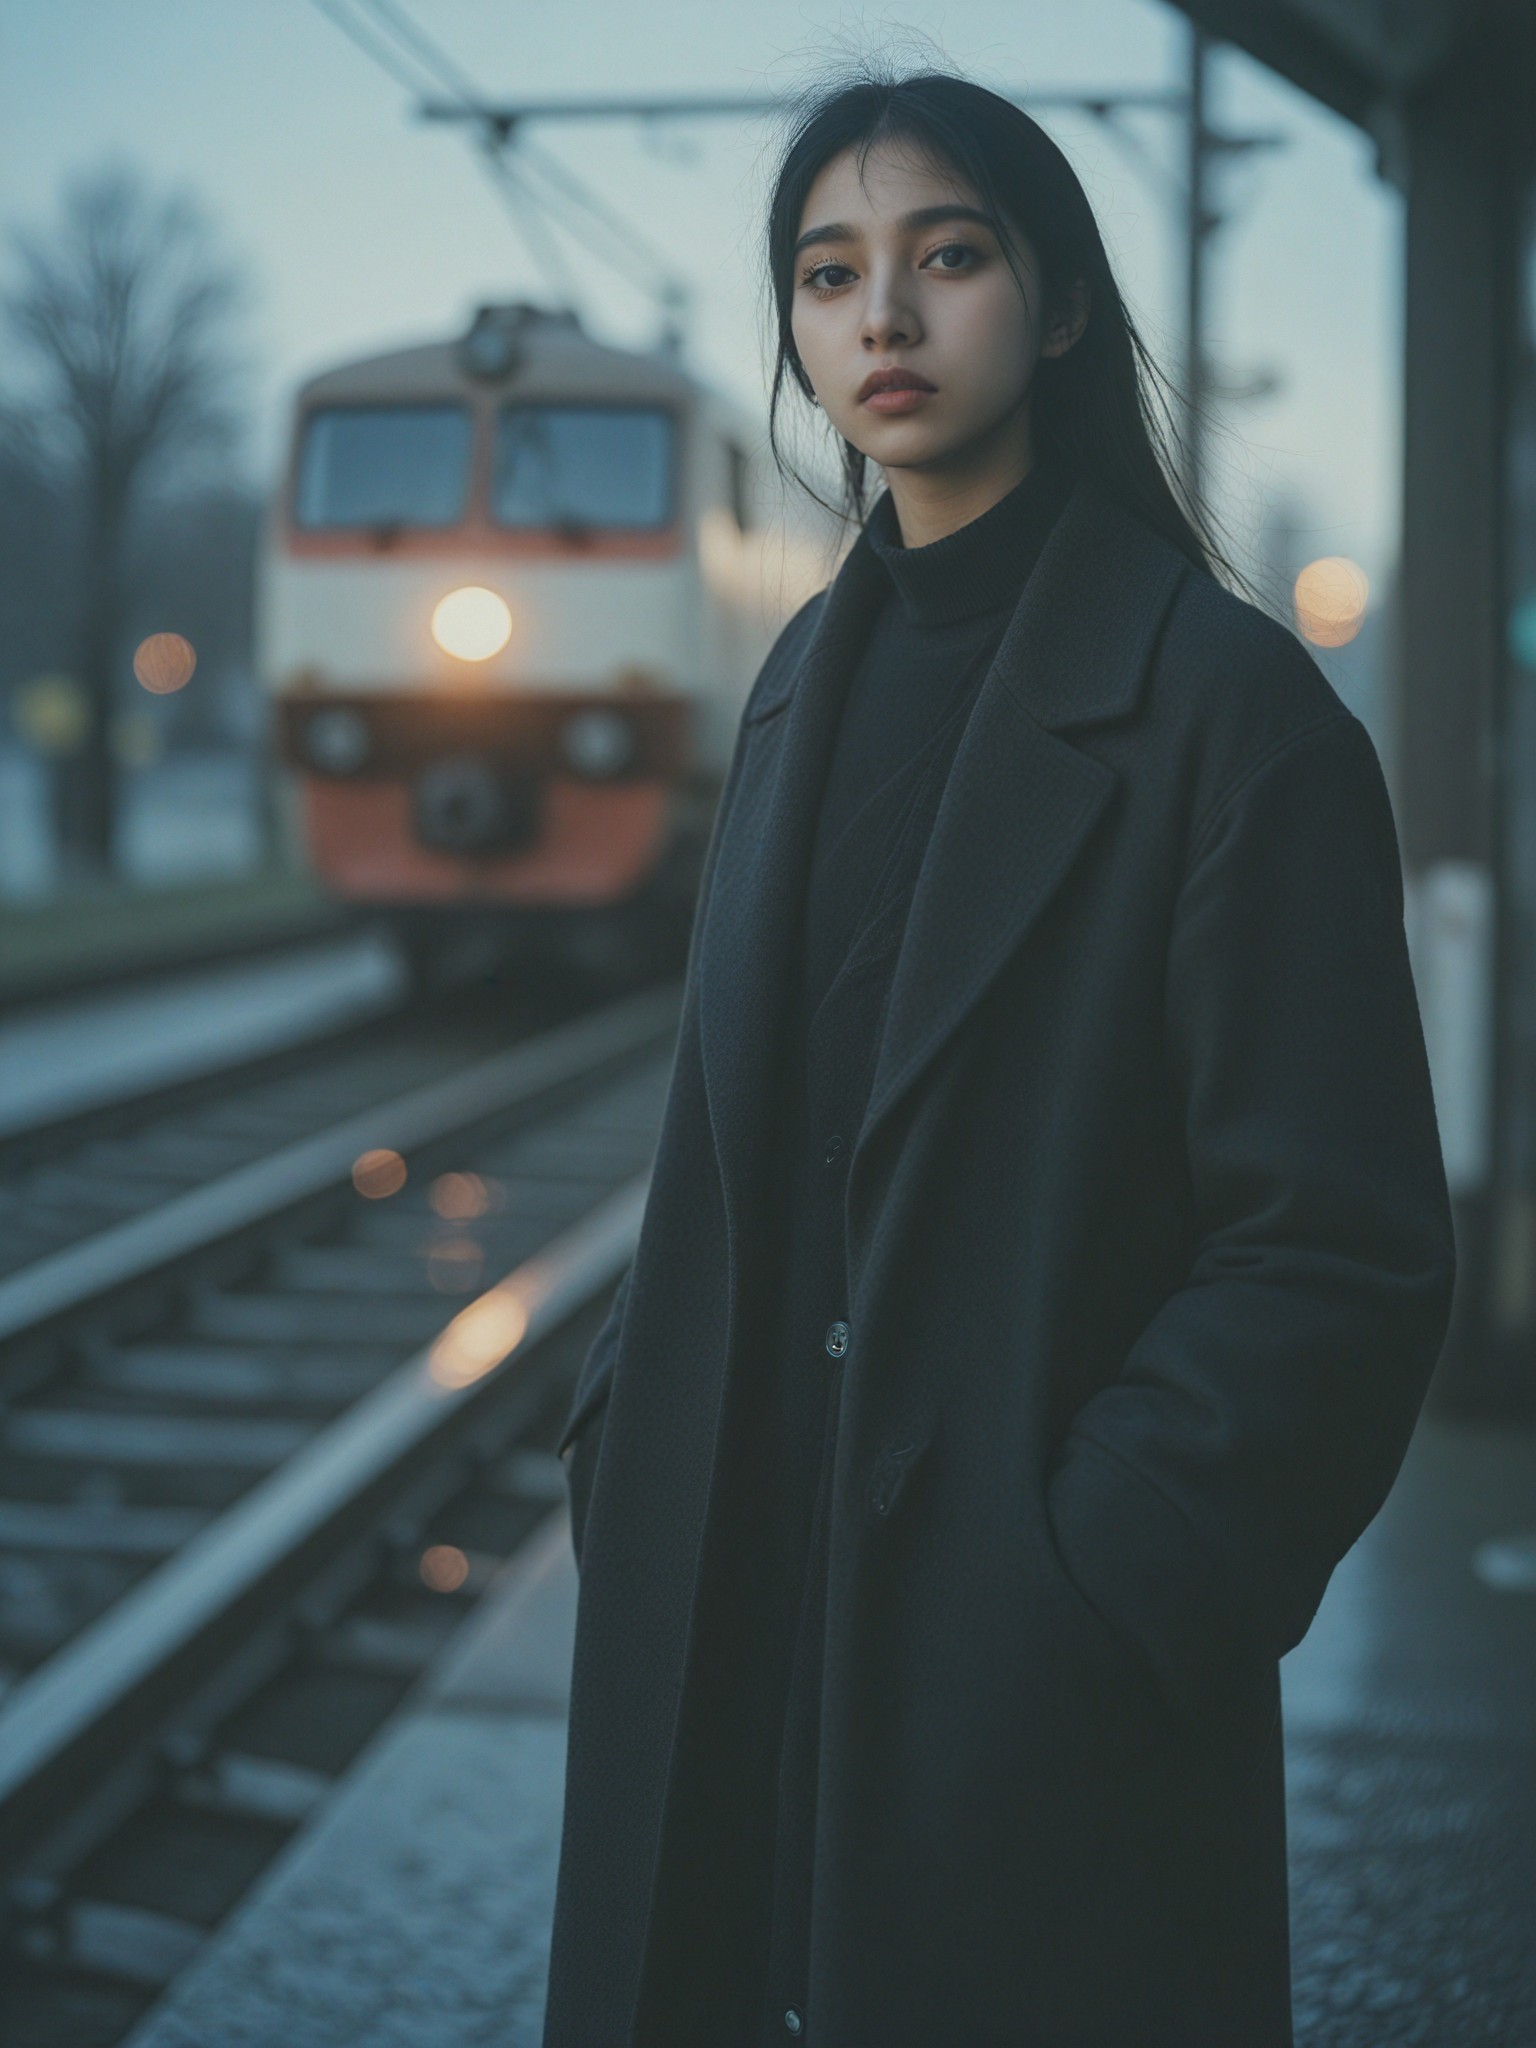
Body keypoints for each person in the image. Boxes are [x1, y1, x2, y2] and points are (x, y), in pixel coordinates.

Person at [543, 61, 1457, 2048]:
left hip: (1019, 1674)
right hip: (726, 1608)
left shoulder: (1232, 712)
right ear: (793, 329)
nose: (883, 315)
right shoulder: (793, 690)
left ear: (1054, 305)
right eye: (829, 271)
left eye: (945, 256)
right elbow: (741, 1146)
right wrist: (632, 1429)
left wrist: (1097, 1580)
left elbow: (1339, 1253)